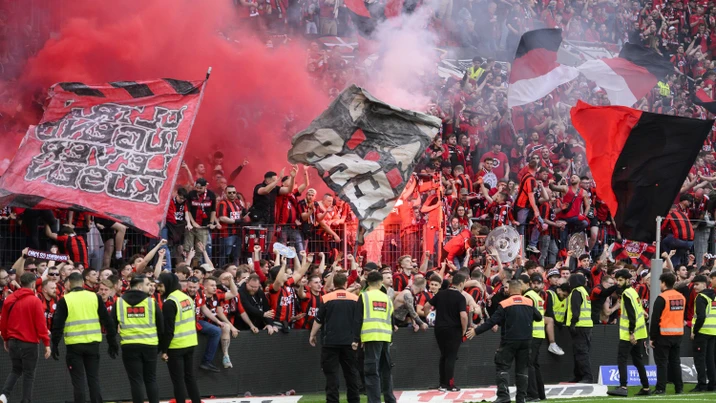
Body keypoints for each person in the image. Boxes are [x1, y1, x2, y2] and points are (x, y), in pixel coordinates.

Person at [468, 280, 542, 403]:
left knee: (502, 367)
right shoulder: (529, 302)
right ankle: (521, 399)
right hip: (526, 340)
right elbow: (538, 317)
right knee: (522, 369)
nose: (505, 290)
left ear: (511, 289)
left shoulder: (505, 303)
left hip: (510, 340)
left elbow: (492, 321)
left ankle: (503, 396)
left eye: (507, 288)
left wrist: (476, 331)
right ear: (520, 290)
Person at [51, 272, 119, 403]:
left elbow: (57, 325)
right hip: (93, 344)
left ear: (69, 284)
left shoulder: (65, 300)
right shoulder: (95, 297)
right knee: (93, 379)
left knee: (78, 381)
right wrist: (112, 342)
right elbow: (107, 321)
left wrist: (55, 344)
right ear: (82, 283)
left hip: (74, 345)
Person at [309, 272, 361, 403]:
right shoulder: (355, 298)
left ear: (334, 284)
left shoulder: (326, 298)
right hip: (350, 342)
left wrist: (312, 334)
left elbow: (319, 320)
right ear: (346, 284)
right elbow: (359, 320)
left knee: (331, 375)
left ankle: (332, 401)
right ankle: (354, 400)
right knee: (351, 374)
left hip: (330, 342)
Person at [0, 273, 51, 403]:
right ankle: (26, 400)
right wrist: (46, 343)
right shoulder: (35, 301)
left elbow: (3, 322)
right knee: (29, 374)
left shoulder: (9, 299)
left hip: (13, 341)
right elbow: (41, 325)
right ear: (33, 284)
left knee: (16, 370)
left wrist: (6, 339)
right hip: (29, 343)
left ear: (21, 283)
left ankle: (4, 395)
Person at [113, 275, 164, 403]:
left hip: (129, 345)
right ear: (140, 287)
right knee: (151, 379)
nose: (150, 287)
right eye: (147, 285)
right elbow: (161, 325)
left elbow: (111, 325)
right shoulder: (151, 302)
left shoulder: (119, 302)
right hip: (150, 345)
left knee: (136, 381)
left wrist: (112, 344)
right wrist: (161, 346)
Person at [158, 272, 202, 403]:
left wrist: (164, 350)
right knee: (190, 377)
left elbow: (169, 330)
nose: (158, 289)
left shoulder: (170, 303)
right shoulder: (186, 298)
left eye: (161, 286)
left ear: (168, 285)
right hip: (190, 343)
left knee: (178, 381)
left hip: (176, 346)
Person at [353, 270, 396, 403]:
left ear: (367, 282)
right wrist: (391, 338)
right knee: (386, 370)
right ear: (380, 282)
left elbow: (357, 319)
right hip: (385, 337)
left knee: (372, 372)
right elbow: (391, 320)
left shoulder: (364, 296)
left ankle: (374, 401)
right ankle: (390, 399)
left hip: (371, 337)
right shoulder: (387, 298)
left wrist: (355, 339)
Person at [606, 270, 650, 397]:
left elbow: (631, 315)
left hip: (630, 334)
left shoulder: (626, 294)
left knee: (622, 359)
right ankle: (646, 387)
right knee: (637, 360)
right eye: (617, 280)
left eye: (620, 280)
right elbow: (638, 310)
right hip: (640, 332)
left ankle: (623, 386)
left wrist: (631, 333)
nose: (618, 283)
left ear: (627, 280)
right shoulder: (632, 291)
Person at [423, 272, 468, 392]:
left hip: (439, 329)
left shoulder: (441, 294)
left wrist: (428, 317)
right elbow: (463, 316)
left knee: (444, 355)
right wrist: (464, 329)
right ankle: (450, 384)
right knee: (451, 357)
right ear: (461, 284)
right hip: (453, 329)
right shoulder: (460, 297)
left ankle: (442, 383)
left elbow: (426, 306)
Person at [649, 272, 684, 395]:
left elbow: (655, 319)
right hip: (678, 334)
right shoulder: (681, 297)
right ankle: (679, 388)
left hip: (663, 335)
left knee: (662, 363)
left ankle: (660, 388)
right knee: (675, 362)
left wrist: (652, 337)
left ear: (663, 283)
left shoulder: (662, 298)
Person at [523, 274, 547, 401]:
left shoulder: (528, 296)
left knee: (529, 364)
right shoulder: (537, 297)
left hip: (532, 334)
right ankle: (540, 394)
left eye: (538, 283)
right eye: (534, 282)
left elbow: (527, 316)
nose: (536, 285)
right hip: (539, 334)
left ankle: (532, 394)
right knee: (534, 364)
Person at [566, 273, 593, 383]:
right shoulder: (584, 291)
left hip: (579, 326)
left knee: (581, 353)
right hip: (586, 326)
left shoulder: (576, 292)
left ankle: (587, 376)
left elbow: (575, 309)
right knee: (579, 352)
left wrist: (573, 323)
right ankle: (578, 375)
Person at [690, 274, 715, 392]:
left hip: (702, 332)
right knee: (710, 360)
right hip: (713, 332)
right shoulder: (713, 296)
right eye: (694, 285)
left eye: (697, 284)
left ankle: (701, 385)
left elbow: (701, 317)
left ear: (704, 284)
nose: (695, 287)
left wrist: (694, 331)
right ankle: (713, 384)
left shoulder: (701, 297)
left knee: (700, 360)